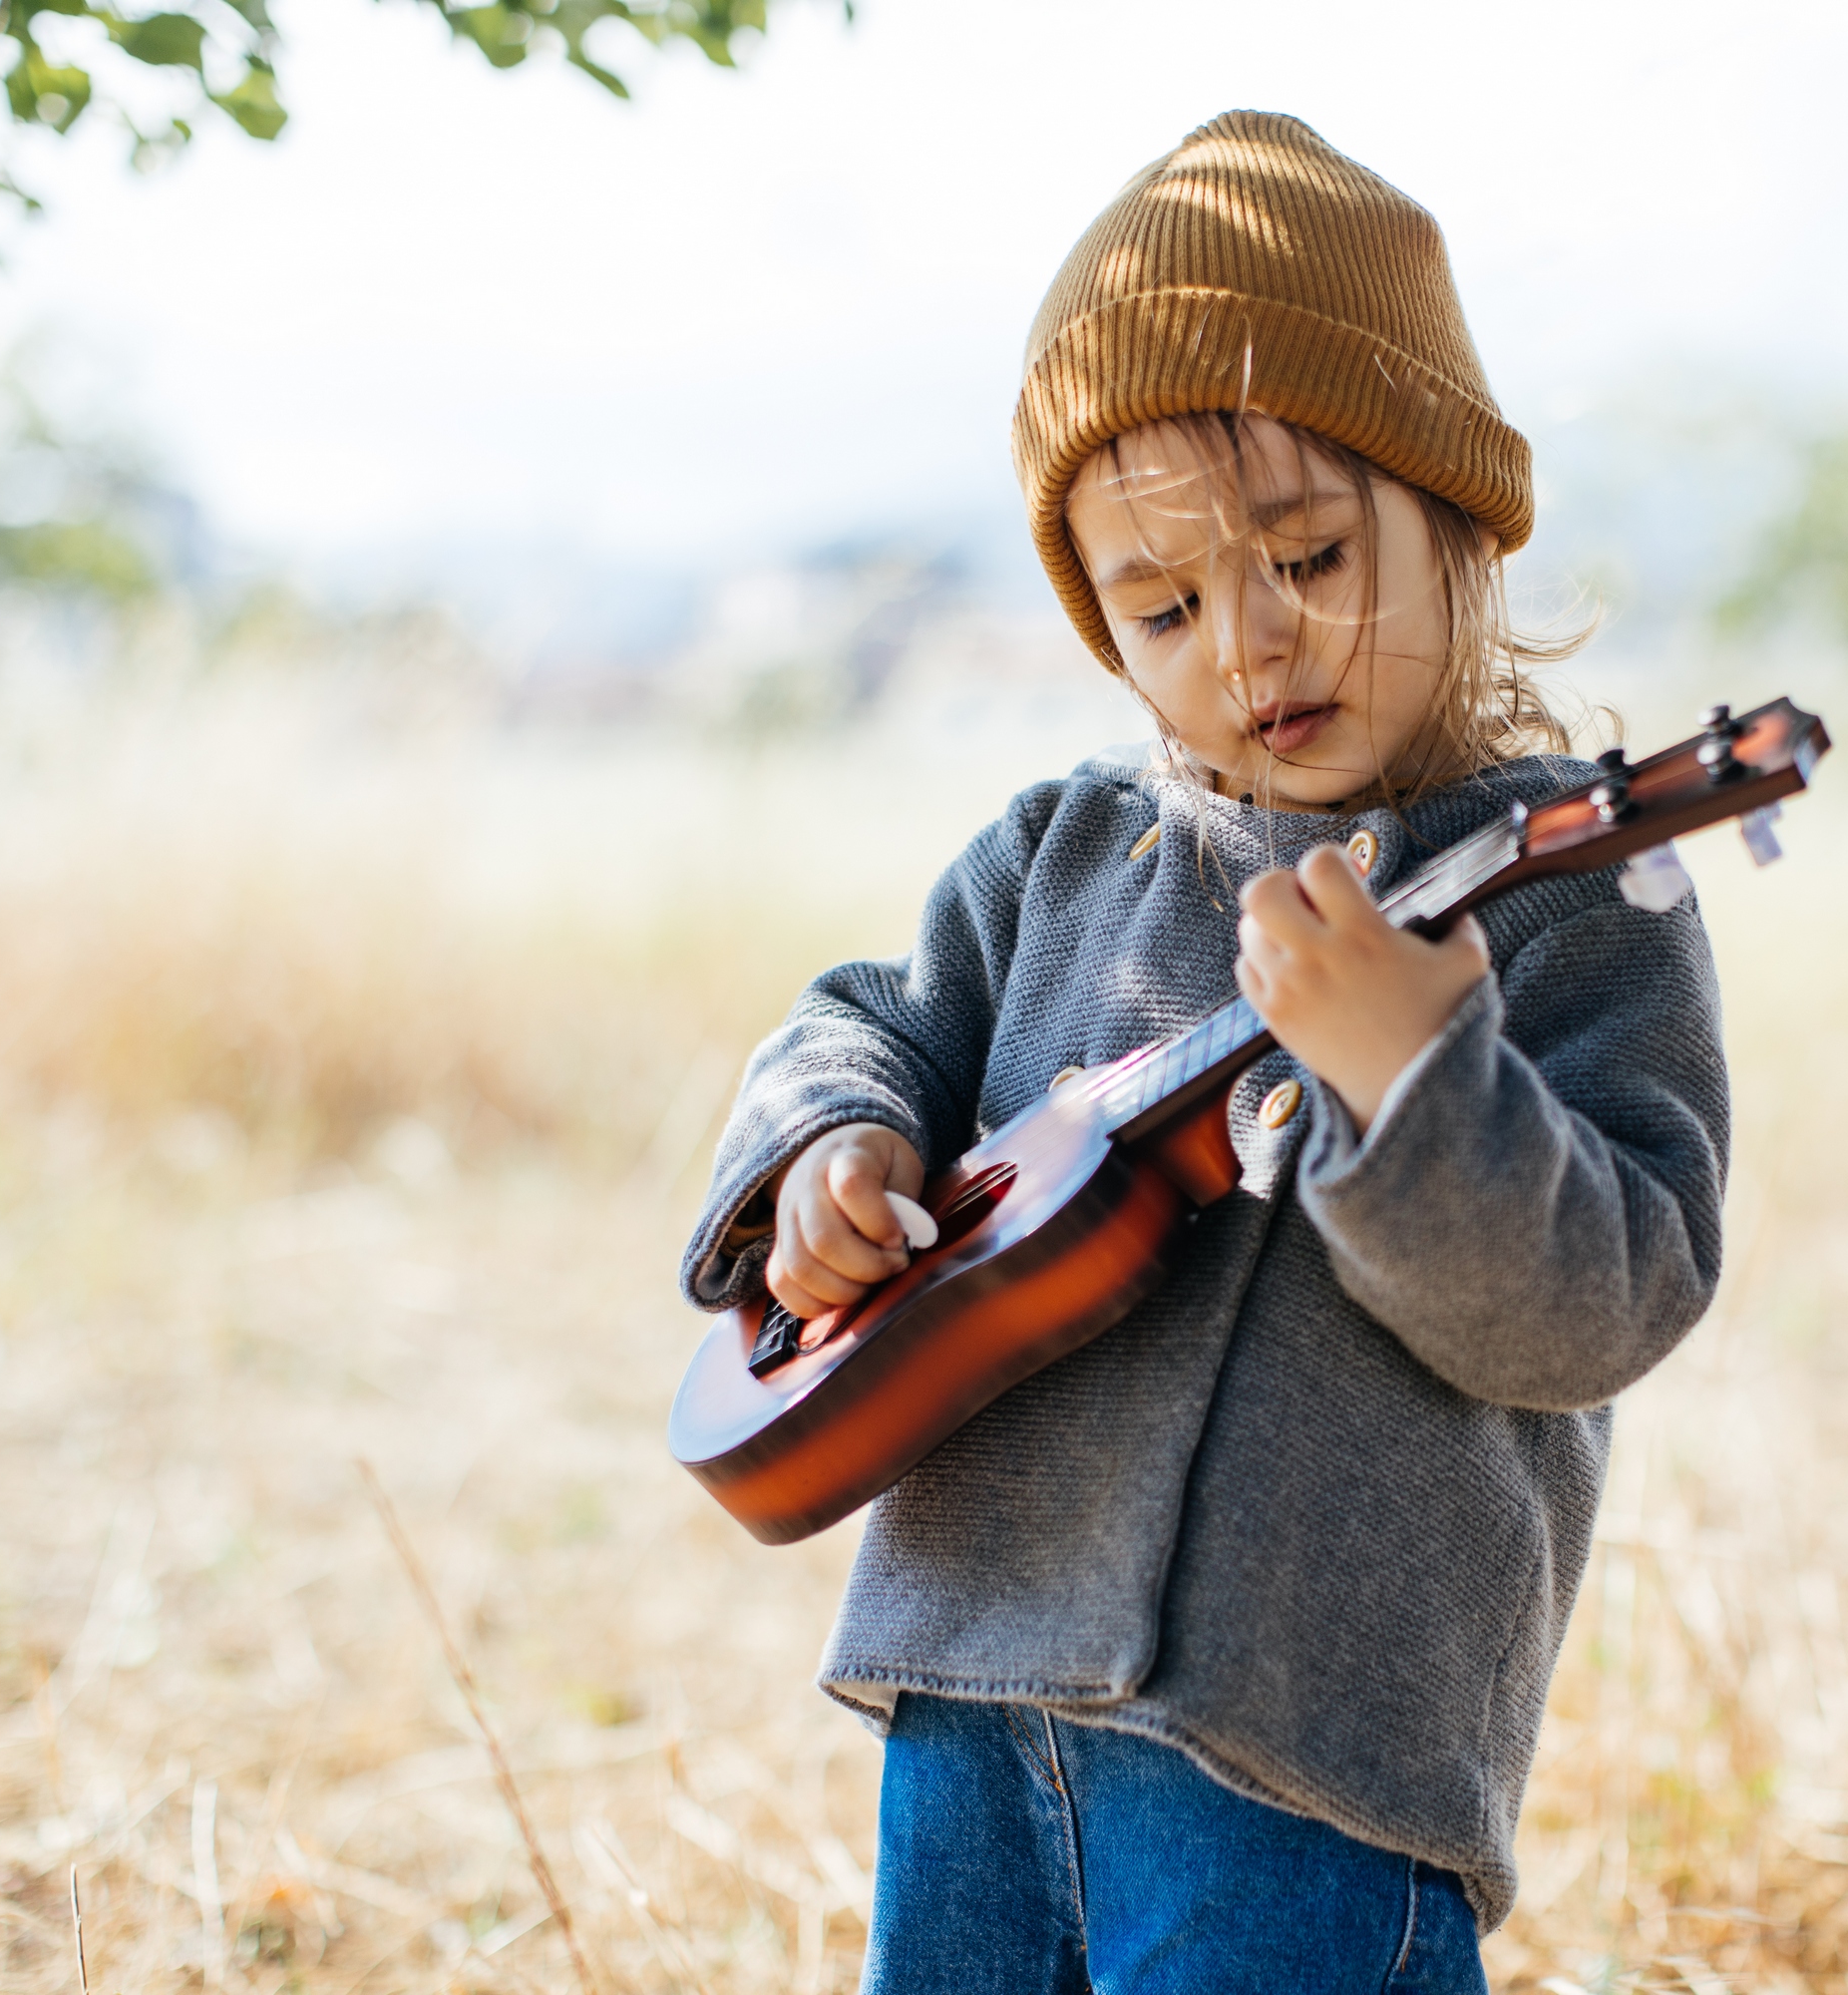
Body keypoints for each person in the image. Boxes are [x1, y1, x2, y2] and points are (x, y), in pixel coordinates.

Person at [679, 111, 1730, 1995]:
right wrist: (826, 1157)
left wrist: (1425, 1089)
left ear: (1454, 512)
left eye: (1310, 555)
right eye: (1162, 607)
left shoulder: (1575, 897)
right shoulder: (1058, 856)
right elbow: (860, 1025)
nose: (1247, 642)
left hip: (1311, 1746)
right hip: (972, 1688)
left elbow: (1606, 1300)